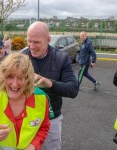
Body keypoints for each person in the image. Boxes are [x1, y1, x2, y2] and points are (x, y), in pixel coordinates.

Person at [0, 52, 50, 150]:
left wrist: (32, 146)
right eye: (10, 77)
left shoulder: (41, 100)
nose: (15, 84)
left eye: (21, 78)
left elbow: (43, 128)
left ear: (28, 80)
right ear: (2, 76)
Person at [21, 21, 79, 150]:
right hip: (25, 117)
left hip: (51, 118)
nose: (31, 46)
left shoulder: (61, 58)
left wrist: (49, 83)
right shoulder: (21, 57)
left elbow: (73, 90)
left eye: (36, 42)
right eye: (29, 41)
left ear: (48, 40)